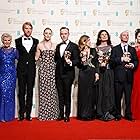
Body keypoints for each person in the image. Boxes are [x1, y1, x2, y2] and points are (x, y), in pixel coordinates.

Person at [110, 31, 138, 121]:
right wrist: (122, 59)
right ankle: (117, 114)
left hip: (129, 77)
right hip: (118, 77)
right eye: (124, 35)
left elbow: (136, 61)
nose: (126, 37)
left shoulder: (132, 49)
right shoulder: (115, 49)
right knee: (117, 97)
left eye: (127, 35)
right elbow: (112, 61)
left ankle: (128, 114)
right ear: (120, 37)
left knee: (128, 98)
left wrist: (132, 65)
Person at [55, 27, 80, 122]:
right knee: (60, 95)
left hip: (68, 74)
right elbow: (56, 60)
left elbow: (77, 60)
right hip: (58, 74)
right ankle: (61, 114)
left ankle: (67, 115)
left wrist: (71, 62)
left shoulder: (74, 46)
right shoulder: (58, 46)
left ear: (68, 34)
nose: (63, 35)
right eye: (61, 33)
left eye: (65, 33)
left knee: (67, 95)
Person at [15, 22, 39, 121]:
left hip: (31, 70)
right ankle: (21, 114)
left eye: (30, 28)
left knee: (30, 92)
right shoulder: (17, 41)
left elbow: (38, 54)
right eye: (26, 28)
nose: (28, 30)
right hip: (21, 69)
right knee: (21, 92)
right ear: (23, 29)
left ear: (32, 30)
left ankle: (28, 114)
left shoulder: (36, 41)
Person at [35, 28, 59, 121]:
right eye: (46, 33)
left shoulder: (55, 45)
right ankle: (44, 114)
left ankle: (53, 114)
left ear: (51, 34)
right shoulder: (40, 45)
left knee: (52, 92)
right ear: (43, 34)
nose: (47, 35)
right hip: (43, 70)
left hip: (53, 70)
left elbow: (58, 58)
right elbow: (36, 58)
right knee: (44, 92)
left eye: (49, 33)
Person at [77, 35, 99, 121]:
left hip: (92, 74)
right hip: (83, 74)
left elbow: (96, 62)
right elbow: (78, 65)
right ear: (84, 42)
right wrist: (82, 60)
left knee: (91, 94)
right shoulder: (79, 51)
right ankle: (82, 114)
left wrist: (97, 73)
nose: (90, 42)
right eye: (88, 41)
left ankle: (90, 114)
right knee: (83, 94)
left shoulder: (93, 50)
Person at [95, 30, 116, 121]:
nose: (104, 36)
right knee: (101, 92)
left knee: (109, 92)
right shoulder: (96, 48)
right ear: (99, 37)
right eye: (102, 35)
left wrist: (108, 62)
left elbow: (115, 60)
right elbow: (95, 62)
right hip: (100, 72)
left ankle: (108, 112)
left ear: (108, 36)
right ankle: (101, 112)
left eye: (105, 34)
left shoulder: (112, 48)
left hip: (109, 71)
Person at [0, 33, 18, 122]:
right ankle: (2, 116)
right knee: (2, 94)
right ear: (2, 41)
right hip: (2, 75)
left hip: (11, 76)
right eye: (5, 40)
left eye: (8, 40)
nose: (7, 42)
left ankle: (9, 116)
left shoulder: (15, 51)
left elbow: (21, 62)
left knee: (10, 95)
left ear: (11, 41)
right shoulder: (0, 51)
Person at [131, 29, 140, 120]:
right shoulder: (133, 47)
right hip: (136, 71)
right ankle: (135, 113)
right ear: (136, 37)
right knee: (136, 91)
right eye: (139, 36)